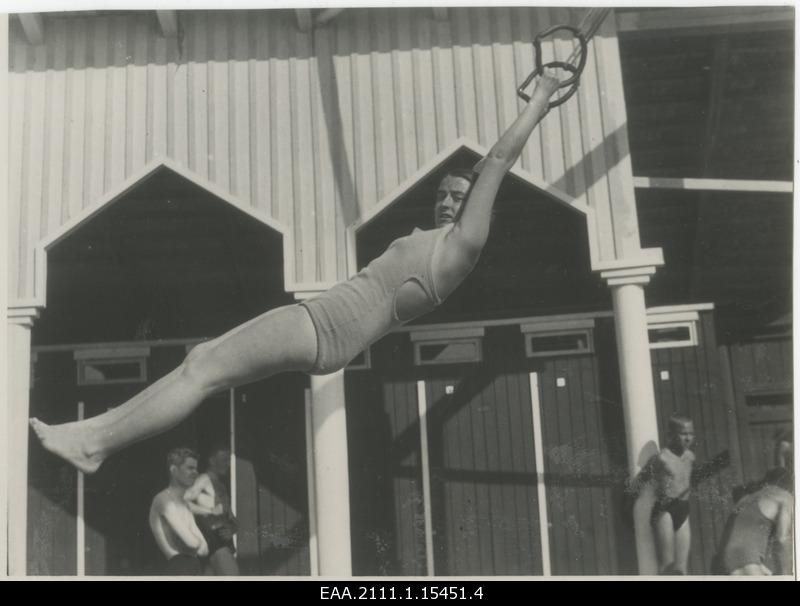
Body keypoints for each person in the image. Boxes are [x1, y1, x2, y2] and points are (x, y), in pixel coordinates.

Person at [29, 71, 562, 474]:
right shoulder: (436, 240)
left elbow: (495, 161)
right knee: (202, 362)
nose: (447, 201)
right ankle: (94, 433)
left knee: (204, 367)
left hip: (323, 329)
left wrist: (538, 102)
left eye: (460, 196)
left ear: (481, 208)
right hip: (322, 325)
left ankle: (94, 444)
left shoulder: (464, 246)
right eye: (443, 193)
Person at [631, 415, 696, 574]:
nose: (688, 438)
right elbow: (640, 480)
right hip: (665, 510)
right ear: (671, 436)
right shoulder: (661, 458)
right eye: (683, 434)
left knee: (681, 568)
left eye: (690, 434)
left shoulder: (690, 457)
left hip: (683, 508)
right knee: (667, 564)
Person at [715, 468, 793, 576]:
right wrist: (787, 573)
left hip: (725, 559)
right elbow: (782, 539)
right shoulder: (786, 497)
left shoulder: (746, 498)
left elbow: (739, 537)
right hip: (748, 557)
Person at [149, 447, 209, 575]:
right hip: (177, 568)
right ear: (174, 470)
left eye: (196, 468)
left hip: (192, 567)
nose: (195, 472)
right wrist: (196, 542)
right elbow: (192, 543)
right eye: (190, 468)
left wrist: (196, 542)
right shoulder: (163, 499)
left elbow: (204, 550)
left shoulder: (185, 503)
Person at [184, 445, 239, 576]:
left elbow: (230, 516)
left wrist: (233, 528)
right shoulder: (203, 479)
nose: (228, 464)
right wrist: (209, 510)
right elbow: (184, 501)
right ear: (212, 460)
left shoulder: (221, 485)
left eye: (228, 460)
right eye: (224, 459)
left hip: (223, 540)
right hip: (213, 539)